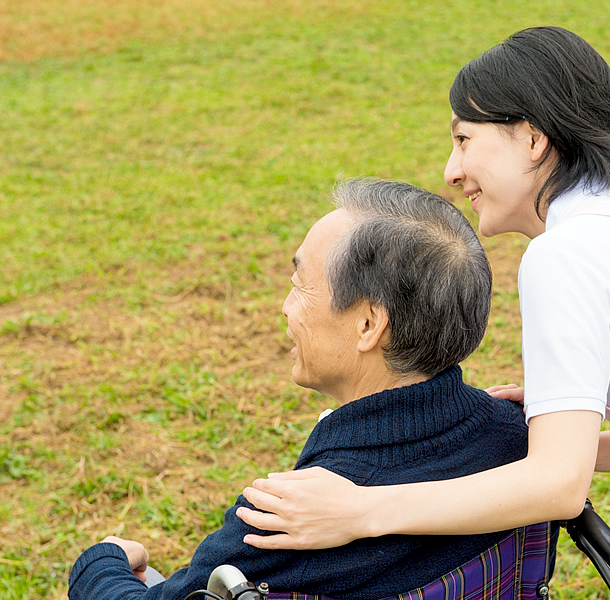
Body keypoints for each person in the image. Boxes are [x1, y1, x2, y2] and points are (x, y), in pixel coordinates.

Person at [236, 27, 610, 599]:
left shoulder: (567, 254)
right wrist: (560, 436)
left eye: (464, 139)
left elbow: (557, 489)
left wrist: (361, 510)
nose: (451, 171)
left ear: (532, 138)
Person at [67, 178, 557, 600]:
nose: (284, 305)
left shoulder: (286, 523)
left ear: (368, 323)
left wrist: (100, 563)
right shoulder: (522, 448)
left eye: (300, 284)